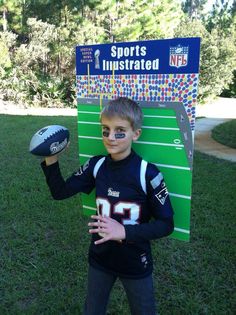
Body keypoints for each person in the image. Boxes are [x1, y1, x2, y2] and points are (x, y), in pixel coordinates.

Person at [41, 97, 174, 315]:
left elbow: (166, 224)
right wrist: (51, 158)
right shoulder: (97, 165)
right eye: (106, 130)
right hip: (100, 256)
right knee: (92, 310)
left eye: (120, 131)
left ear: (136, 133)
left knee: (144, 311)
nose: (111, 137)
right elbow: (60, 192)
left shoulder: (147, 173)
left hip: (134, 260)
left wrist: (124, 231)